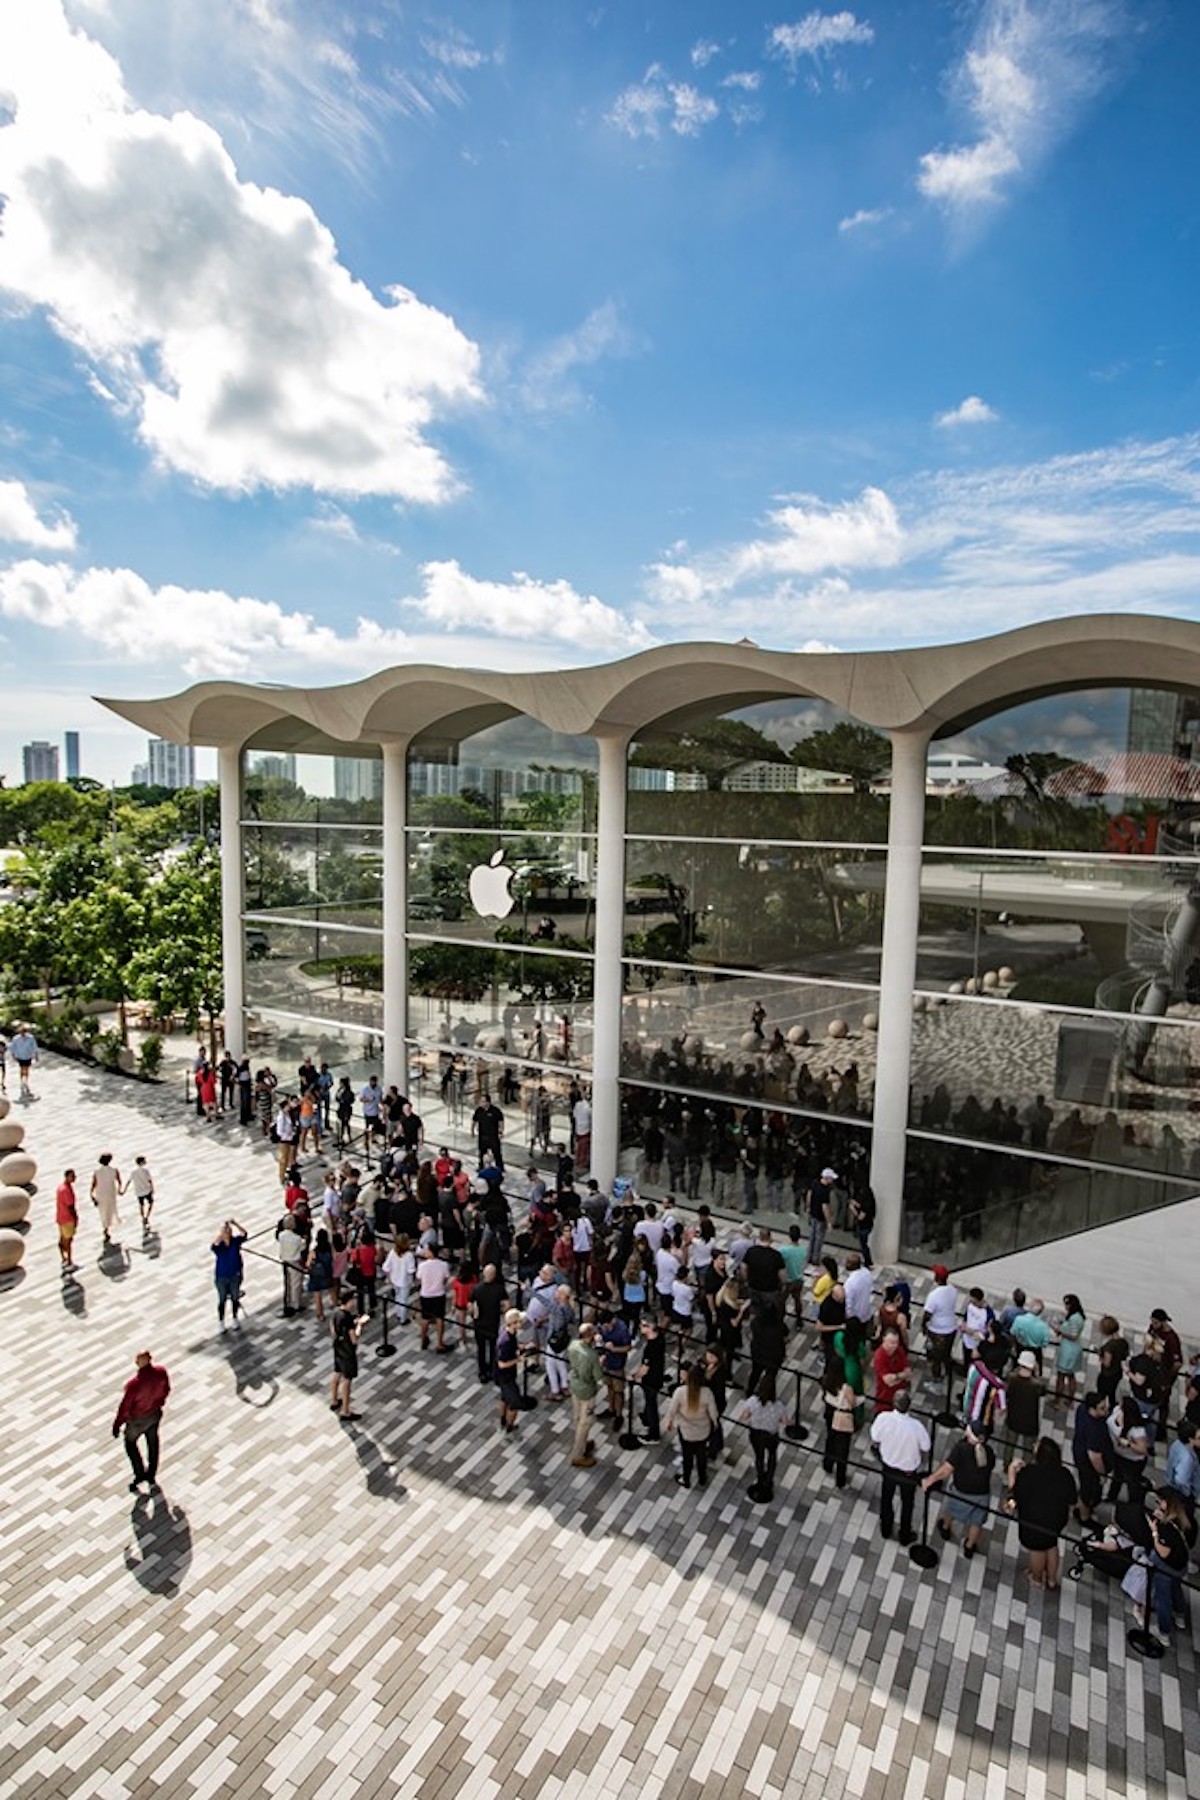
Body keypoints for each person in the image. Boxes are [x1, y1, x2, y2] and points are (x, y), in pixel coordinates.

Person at [1007, 1436, 1078, 1590]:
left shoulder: (1029, 1473)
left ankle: (1037, 1578)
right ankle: (1052, 1580)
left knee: (1037, 1549)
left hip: (1034, 1521)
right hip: (1056, 1520)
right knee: (1051, 1544)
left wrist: (1012, 1471)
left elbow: (1016, 1494)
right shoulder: (1064, 1474)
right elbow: (1072, 1499)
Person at [923, 1422, 995, 1558]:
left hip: (961, 1490)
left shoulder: (961, 1449)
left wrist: (930, 1479)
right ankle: (969, 1547)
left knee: (950, 1508)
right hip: (982, 1493)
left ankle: (945, 1528)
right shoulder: (989, 1452)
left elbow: (946, 1469)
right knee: (976, 1521)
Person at [869, 1391, 931, 1545]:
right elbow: (926, 1446)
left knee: (886, 1497)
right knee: (907, 1502)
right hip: (908, 1471)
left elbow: (875, 1437)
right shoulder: (916, 1427)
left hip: (888, 1466)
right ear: (909, 1406)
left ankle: (885, 1528)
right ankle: (904, 1534)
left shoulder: (883, 1418)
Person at [112, 1350, 171, 1493]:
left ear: (138, 1362)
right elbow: (166, 1389)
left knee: (130, 1443)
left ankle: (140, 1474)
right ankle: (151, 1474)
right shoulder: (161, 1372)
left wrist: (117, 1424)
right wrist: (159, 1402)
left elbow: (125, 1407)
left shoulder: (134, 1384)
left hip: (137, 1420)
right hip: (154, 1414)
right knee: (153, 1442)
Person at [665, 1361, 720, 1490]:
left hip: (686, 1431)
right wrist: (715, 1423)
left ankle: (686, 1479)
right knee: (701, 1454)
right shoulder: (707, 1393)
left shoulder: (680, 1392)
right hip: (703, 1431)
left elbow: (672, 1410)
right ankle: (702, 1477)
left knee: (687, 1456)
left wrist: (669, 1422)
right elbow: (713, 1413)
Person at [738, 1370, 788, 1503]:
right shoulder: (778, 1406)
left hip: (756, 1433)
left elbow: (744, 1416)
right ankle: (769, 1479)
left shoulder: (753, 1402)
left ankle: (760, 1477)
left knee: (759, 1456)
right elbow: (784, 1421)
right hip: (771, 1434)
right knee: (772, 1455)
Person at [1071, 1390, 1111, 1527]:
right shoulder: (1094, 1429)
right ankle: (1084, 1516)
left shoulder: (1081, 1409)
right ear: (1092, 1409)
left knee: (1086, 1486)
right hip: (1088, 1465)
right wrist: (1102, 1474)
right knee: (1088, 1490)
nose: (1106, 1410)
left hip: (1078, 1452)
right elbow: (1094, 1456)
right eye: (1102, 1408)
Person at [567, 1323, 602, 1468]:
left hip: (575, 1384)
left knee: (577, 1416)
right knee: (585, 1422)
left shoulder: (573, 1345)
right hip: (587, 1390)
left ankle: (581, 1443)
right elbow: (598, 1376)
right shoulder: (592, 1355)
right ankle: (578, 1455)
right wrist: (600, 1363)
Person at [329, 1294, 368, 1421]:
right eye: (353, 1301)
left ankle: (334, 1400)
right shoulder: (347, 1319)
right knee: (347, 1379)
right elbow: (354, 1339)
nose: (354, 1303)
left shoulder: (336, 1312)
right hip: (348, 1352)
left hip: (338, 1348)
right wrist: (360, 1325)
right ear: (349, 1301)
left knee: (337, 1372)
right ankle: (345, 1411)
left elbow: (333, 1327)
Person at [823, 1349, 857, 1489]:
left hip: (830, 1412)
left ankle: (828, 1464)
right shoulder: (846, 1387)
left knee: (830, 1439)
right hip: (843, 1417)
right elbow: (852, 1403)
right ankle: (840, 1479)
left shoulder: (826, 1381)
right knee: (842, 1448)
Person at [921, 1266, 958, 1389]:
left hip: (938, 1331)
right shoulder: (953, 1290)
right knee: (947, 1354)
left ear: (936, 1278)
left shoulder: (934, 1295)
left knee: (935, 1358)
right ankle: (949, 1373)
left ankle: (936, 1383)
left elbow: (927, 1314)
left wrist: (923, 1325)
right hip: (951, 1328)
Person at [632, 1314, 667, 1444]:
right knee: (650, 1401)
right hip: (657, 1376)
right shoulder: (660, 1338)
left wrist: (635, 1376)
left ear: (651, 1327)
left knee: (652, 1404)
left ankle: (653, 1434)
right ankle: (646, 1417)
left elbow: (645, 1368)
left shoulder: (651, 1347)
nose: (640, 1327)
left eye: (643, 1325)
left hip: (651, 1380)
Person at [471, 1264, 507, 1384]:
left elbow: (471, 1307)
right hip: (493, 1323)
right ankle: (492, 1370)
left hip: (479, 1324)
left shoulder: (477, 1289)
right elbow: (506, 1306)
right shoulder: (499, 1289)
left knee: (481, 1349)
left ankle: (482, 1372)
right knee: (493, 1348)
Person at [1005, 1351, 1045, 1458]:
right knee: (1028, 1449)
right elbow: (1043, 1392)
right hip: (1030, 1421)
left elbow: (1007, 1392)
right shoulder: (1037, 1384)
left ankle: (1006, 1465)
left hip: (1013, 1416)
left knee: (1009, 1445)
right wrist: (1037, 1372)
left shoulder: (1011, 1378)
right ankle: (1026, 1468)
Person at [212, 1219, 248, 1327]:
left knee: (234, 1297)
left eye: (228, 1232)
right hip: (221, 1277)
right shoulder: (219, 1246)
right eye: (225, 1232)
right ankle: (221, 1321)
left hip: (234, 1275)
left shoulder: (235, 1241)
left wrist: (235, 1223)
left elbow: (244, 1234)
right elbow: (213, 1246)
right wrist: (221, 1234)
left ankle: (235, 1318)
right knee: (222, 1299)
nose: (227, 1234)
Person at [494, 1309, 525, 1434]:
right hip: (505, 1377)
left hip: (505, 1376)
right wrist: (518, 1360)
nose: (521, 1323)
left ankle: (502, 1419)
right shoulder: (505, 1341)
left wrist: (520, 1347)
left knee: (504, 1398)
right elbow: (502, 1364)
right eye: (519, 1321)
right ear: (513, 1323)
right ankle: (509, 1426)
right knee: (515, 1403)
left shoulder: (510, 1333)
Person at [1052, 1294, 1087, 1403]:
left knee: (1061, 1376)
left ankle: (1057, 1400)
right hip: (1072, 1349)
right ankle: (1070, 1399)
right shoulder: (1077, 1316)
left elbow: (1073, 1335)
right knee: (1071, 1375)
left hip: (1068, 1351)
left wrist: (1059, 1330)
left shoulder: (1075, 1319)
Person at [417, 1243, 452, 1353]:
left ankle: (423, 1339)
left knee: (425, 1318)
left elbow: (419, 1278)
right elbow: (446, 1278)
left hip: (426, 1294)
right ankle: (440, 1343)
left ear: (431, 1252)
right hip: (438, 1293)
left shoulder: (422, 1266)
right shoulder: (443, 1265)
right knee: (439, 1318)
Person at [1165, 1418, 1200, 1516]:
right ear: (1190, 1439)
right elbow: (1181, 1480)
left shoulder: (1177, 1444)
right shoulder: (1187, 1458)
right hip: (1183, 1494)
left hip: (1171, 1485)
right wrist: (1189, 1492)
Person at [804, 1167, 837, 1269]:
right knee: (819, 1238)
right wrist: (829, 1222)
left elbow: (809, 1195)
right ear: (827, 1178)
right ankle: (815, 1258)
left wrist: (808, 1207)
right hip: (820, 1217)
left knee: (812, 1236)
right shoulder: (825, 1190)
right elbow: (825, 1207)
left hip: (813, 1214)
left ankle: (809, 1256)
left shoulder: (815, 1183)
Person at [872, 1325, 910, 1412]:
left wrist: (895, 1377)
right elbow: (888, 1381)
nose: (895, 1346)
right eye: (891, 1343)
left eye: (896, 1342)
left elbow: (908, 1373)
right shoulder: (879, 1356)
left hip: (899, 1398)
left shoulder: (899, 1350)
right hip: (884, 1399)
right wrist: (902, 1376)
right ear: (884, 1340)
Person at [90, 1153, 123, 1246]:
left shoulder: (97, 1172)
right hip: (110, 1193)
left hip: (100, 1194)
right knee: (111, 1210)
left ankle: (105, 1227)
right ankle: (107, 1228)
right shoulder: (114, 1170)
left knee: (103, 1211)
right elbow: (119, 1181)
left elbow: (93, 1184)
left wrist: (92, 1195)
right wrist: (120, 1190)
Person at [306, 1227, 335, 1324]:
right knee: (331, 1289)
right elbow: (334, 1259)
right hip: (327, 1273)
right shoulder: (330, 1248)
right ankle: (335, 1305)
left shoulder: (314, 1251)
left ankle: (320, 1314)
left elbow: (308, 1264)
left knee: (317, 1296)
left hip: (317, 1276)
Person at [55, 1167, 78, 1272]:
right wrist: (75, 1217)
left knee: (63, 1238)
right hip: (67, 1218)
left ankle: (63, 1258)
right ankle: (69, 1261)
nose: (74, 1178)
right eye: (72, 1176)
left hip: (60, 1217)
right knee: (68, 1240)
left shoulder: (61, 1187)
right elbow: (71, 1206)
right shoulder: (66, 1190)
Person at [9, 1023, 38, 1097]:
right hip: (20, 1055)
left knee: (27, 1068)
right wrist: (13, 1055)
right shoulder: (16, 1038)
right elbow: (12, 1047)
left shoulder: (31, 1038)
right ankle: (22, 1080)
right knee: (22, 1068)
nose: (22, 1033)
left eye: (23, 1032)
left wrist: (35, 1055)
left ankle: (26, 1080)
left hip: (28, 1055)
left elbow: (34, 1046)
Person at [126, 1157, 155, 1230]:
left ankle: (143, 1217)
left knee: (141, 1205)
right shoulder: (146, 1171)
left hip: (138, 1192)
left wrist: (124, 1190)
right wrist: (152, 1188)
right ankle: (147, 1216)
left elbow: (129, 1181)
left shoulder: (133, 1172)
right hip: (147, 1190)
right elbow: (150, 1180)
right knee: (150, 1203)